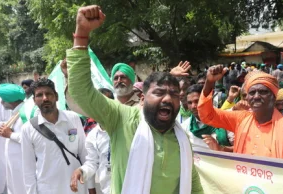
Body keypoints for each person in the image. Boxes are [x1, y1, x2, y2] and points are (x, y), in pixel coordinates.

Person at [68, 5, 203, 194]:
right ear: (143, 97)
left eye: (173, 94)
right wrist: (81, 34)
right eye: (158, 93)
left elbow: (192, 182)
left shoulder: (182, 138)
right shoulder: (121, 118)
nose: (167, 98)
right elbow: (81, 91)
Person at [198, 65, 283, 158]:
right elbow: (207, 115)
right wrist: (209, 83)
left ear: (273, 97)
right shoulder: (241, 119)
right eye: (252, 93)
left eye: (263, 92)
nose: (256, 96)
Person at [21, 78, 87, 194]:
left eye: (48, 94)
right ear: (34, 100)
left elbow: (84, 153)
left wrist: (90, 185)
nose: (45, 98)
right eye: (40, 95)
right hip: (47, 190)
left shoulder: (73, 118)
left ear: (56, 96)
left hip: (77, 188)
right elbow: (28, 169)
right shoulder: (28, 129)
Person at [80, 88, 114, 194]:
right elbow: (92, 162)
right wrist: (82, 171)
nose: (101, 108)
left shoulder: (125, 128)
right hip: (107, 189)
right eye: (97, 104)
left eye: (104, 103)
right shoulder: (92, 136)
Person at [0, 84, 26, 194]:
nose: (2, 102)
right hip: (14, 163)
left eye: (3, 99)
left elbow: (30, 139)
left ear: (10, 100)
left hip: (22, 164)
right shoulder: (16, 112)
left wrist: (10, 135)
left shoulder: (24, 114)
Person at [181, 84, 233, 151]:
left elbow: (240, 148)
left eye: (197, 101)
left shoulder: (224, 119)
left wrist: (221, 148)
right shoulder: (185, 127)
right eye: (190, 103)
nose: (193, 106)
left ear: (207, 101)